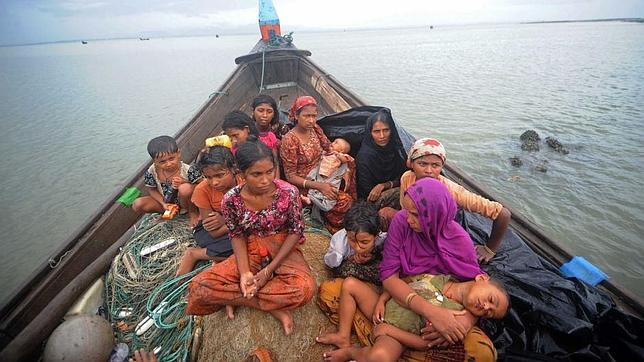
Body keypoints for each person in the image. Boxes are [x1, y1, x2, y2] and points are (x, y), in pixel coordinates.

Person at [317, 178, 497, 361]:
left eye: (416, 214)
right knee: (331, 290)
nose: (408, 219)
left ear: (435, 214)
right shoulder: (402, 222)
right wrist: (430, 311)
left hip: (432, 317)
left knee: (483, 353)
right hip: (400, 300)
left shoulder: (460, 242)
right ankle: (391, 346)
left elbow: (474, 288)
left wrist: (463, 322)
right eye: (407, 211)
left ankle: (384, 346)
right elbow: (389, 276)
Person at [186, 140, 316, 335]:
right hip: (250, 247)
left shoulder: (289, 193)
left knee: (304, 290)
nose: (265, 180)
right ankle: (269, 306)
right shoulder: (231, 199)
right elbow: (236, 234)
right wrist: (246, 272)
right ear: (242, 173)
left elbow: (296, 231)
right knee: (199, 287)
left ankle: (233, 297)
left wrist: (267, 272)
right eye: (256, 174)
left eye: (270, 172)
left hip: (281, 246)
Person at [320, 273, 508, 362]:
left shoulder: (456, 319)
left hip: (396, 335)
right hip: (383, 311)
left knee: (380, 358)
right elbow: (401, 283)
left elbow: (424, 343)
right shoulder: (439, 277)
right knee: (350, 284)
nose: (485, 307)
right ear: (482, 278)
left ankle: (351, 352)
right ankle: (343, 335)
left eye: (489, 312)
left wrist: (390, 330)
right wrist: (382, 300)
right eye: (491, 300)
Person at [396, 137, 511, 263]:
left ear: (441, 167)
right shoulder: (407, 178)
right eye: (422, 164)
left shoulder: (452, 191)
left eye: (435, 165)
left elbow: (503, 214)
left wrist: (489, 249)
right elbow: (405, 211)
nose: (428, 171)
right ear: (411, 163)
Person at [280, 96, 354, 232]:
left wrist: (340, 159)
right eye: (306, 116)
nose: (311, 120)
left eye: (314, 116)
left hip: (323, 171)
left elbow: (328, 147)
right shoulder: (289, 141)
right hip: (307, 182)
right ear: (296, 115)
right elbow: (290, 177)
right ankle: (323, 218)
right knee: (344, 202)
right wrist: (320, 186)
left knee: (350, 163)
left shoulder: (314, 128)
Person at [175, 146, 241, 276]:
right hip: (210, 232)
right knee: (240, 246)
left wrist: (225, 220)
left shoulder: (243, 181)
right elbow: (214, 232)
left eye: (220, 175)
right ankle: (194, 254)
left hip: (231, 224)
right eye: (209, 177)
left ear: (233, 169)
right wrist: (239, 221)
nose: (215, 182)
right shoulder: (202, 189)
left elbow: (256, 212)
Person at [132, 135, 202, 224]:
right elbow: (152, 190)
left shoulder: (188, 170)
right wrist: (163, 204)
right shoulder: (152, 171)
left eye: (171, 158)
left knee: (185, 188)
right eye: (162, 161)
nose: (168, 164)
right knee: (137, 204)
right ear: (154, 161)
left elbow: (203, 185)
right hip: (167, 202)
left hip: (187, 204)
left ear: (178, 154)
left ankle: (192, 213)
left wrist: (184, 182)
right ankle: (168, 213)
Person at [322, 201, 387, 285]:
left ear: (376, 236)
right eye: (352, 240)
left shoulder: (382, 239)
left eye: (364, 242)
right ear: (346, 233)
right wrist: (350, 259)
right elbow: (330, 263)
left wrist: (373, 256)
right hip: (345, 263)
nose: (357, 247)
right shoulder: (339, 248)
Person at [355, 109, 407, 209]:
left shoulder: (397, 149)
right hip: (371, 200)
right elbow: (367, 191)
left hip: (392, 189)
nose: (382, 136)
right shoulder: (364, 156)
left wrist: (384, 185)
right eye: (376, 131)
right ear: (370, 132)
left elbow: (404, 176)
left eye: (386, 130)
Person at [223, 110, 280, 178]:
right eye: (230, 137)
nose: (234, 141)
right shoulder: (234, 150)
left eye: (236, 135)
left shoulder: (266, 141)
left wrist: (276, 182)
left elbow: (275, 163)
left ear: (247, 129)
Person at [302, 137, 355, 212]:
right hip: (320, 176)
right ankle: (310, 199)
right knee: (314, 189)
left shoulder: (341, 156)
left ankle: (316, 202)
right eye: (333, 141)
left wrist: (338, 154)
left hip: (331, 179)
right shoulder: (326, 154)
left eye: (336, 142)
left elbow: (345, 160)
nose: (332, 143)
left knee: (330, 198)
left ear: (342, 150)